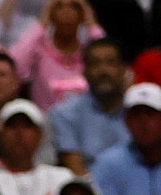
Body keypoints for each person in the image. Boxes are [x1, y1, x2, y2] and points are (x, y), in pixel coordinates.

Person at [50, 35, 131, 173]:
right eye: (95, 63)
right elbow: (74, 168)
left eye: (111, 63)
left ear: (124, 69)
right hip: (89, 190)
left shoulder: (139, 111)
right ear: (84, 71)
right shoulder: (65, 114)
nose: (103, 71)